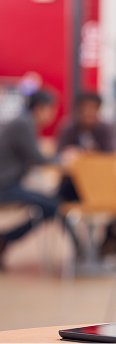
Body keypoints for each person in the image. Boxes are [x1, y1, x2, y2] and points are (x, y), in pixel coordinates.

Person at [0, 90, 78, 268]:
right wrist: (63, 159)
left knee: (52, 204)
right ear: (40, 108)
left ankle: (6, 239)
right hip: (4, 186)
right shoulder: (23, 123)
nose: (52, 115)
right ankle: (78, 250)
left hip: (10, 183)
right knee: (55, 205)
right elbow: (37, 159)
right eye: (51, 109)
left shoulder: (25, 122)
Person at [57, 92, 116, 201]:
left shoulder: (105, 129)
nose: (90, 112)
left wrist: (83, 155)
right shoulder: (69, 129)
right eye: (86, 108)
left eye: (94, 108)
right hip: (72, 181)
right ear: (79, 110)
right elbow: (60, 155)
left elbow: (110, 156)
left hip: (98, 182)